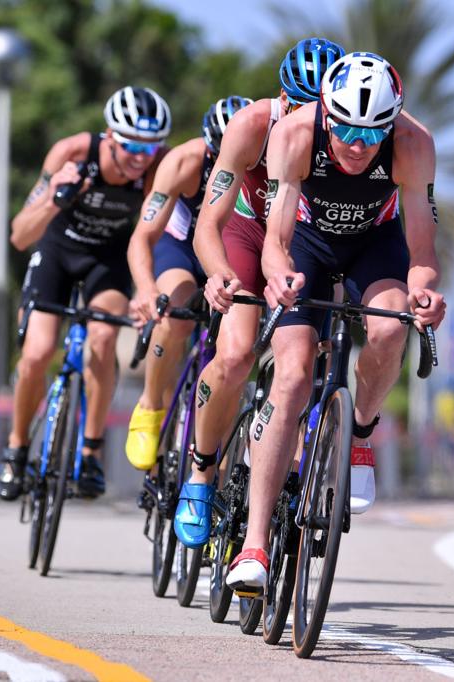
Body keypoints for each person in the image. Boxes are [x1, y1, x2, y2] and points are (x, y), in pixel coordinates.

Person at [225, 51, 446, 591]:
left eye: (373, 132)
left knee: (391, 327)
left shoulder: (413, 145)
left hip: (375, 242)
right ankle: (253, 547)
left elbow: (421, 254)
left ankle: (362, 434)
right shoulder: (296, 134)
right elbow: (275, 242)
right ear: (325, 110)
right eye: (345, 126)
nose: (357, 143)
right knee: (294, 376)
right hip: (308, 245)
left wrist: (424, 293)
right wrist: (276, 277)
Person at [170, 38, 346, 549]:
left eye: (318, 109)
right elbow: (209, 223)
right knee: (236, 353)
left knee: (311, 362)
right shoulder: (252, 124)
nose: (306, 119)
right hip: (248, 236)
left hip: (309, 246)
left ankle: (289, 469)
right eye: (297, 104)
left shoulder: (347, 138)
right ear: (281, 96)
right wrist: (218, 272)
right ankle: (202, 472)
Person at [0, 86, 171, 501]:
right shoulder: (72, 153)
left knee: (104, 337)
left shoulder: (155, 170)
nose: (140, 158)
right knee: (37, 353)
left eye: (151, 148)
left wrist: (149, 290)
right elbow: (20, 236)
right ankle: (16, 448)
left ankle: (90, 449)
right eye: (131, 146)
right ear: (109, 135)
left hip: (106, 261)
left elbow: (157, 237)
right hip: (57, 251)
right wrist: (58, 198)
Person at [124, 96, 253, 470]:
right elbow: (142, 237)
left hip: (231, 252)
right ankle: (150, 405)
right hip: (180, 247)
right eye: (219, 152)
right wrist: (148, 289)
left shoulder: (268, 162)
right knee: (174, 312)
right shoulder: (182, 162)